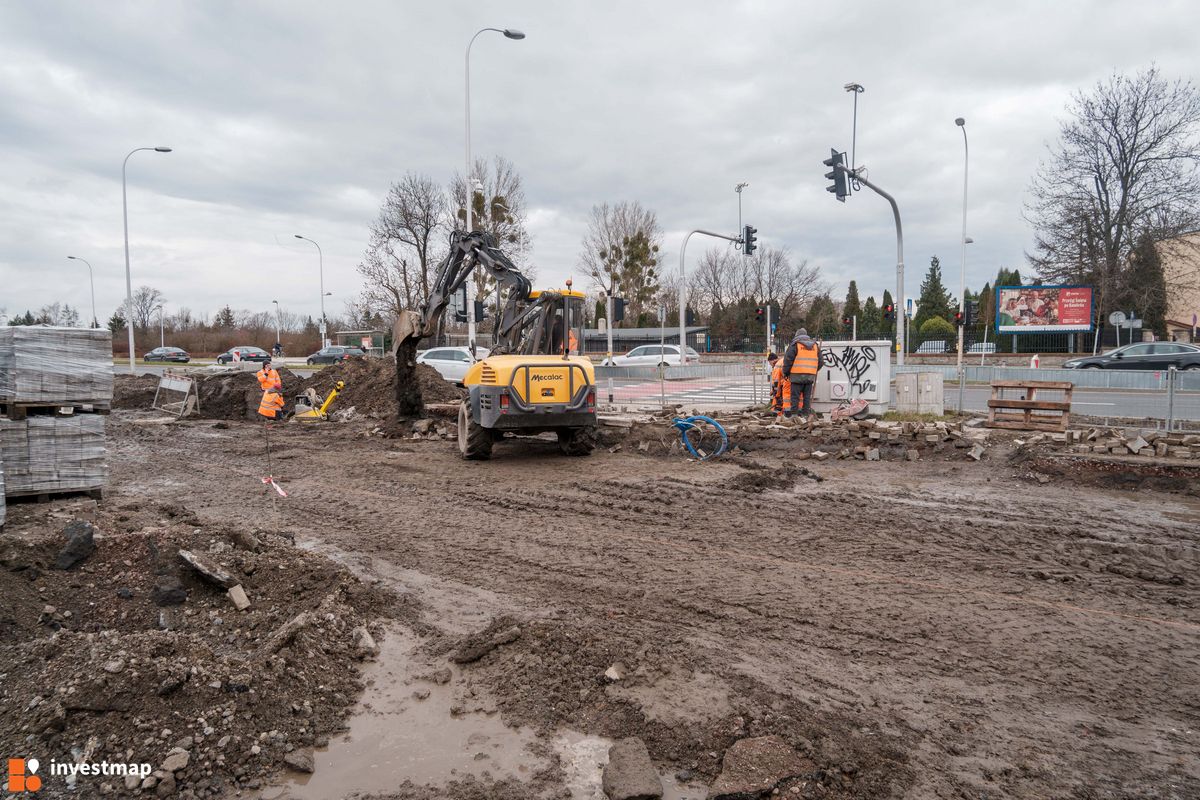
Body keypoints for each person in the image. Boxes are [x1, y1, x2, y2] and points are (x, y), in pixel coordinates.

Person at [781, 328, 821, 419]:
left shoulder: (795, 345)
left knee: (795, 397)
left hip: (796, 375)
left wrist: (786, 373)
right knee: (807, 397)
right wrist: (813, 370)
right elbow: (821, 362)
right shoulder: (815, 346)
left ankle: (794, 415)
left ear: (797, 335)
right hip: (810, 376)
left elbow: (788, 360)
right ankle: (805, 415)